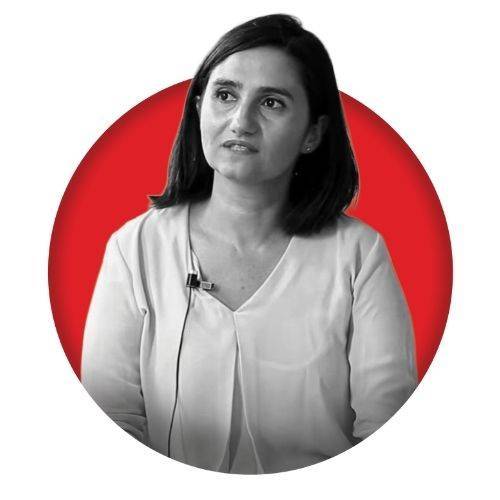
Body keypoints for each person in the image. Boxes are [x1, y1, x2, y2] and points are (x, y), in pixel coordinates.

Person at [81, 14, 417, 474]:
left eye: (272, 103)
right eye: (225, 95)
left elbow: (388, 427)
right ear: (199, 108)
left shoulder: (359, 255)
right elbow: (110, 420)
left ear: (313, 133)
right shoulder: (135, 247)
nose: (241, 121)